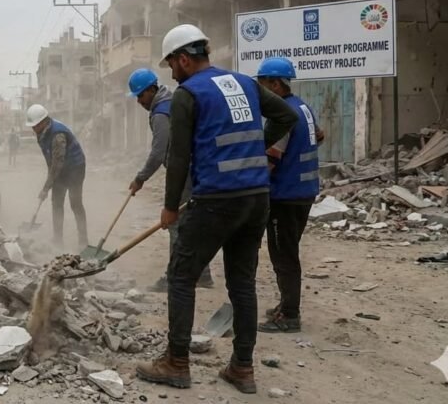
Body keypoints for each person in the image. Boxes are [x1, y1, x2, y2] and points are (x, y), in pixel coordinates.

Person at [136, 25, 298, 395]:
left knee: (181, 276)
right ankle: (242, 368)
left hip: (215, 200)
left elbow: (178, 157)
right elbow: (286, 117)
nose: (171, 74)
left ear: (183, 59)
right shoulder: (244, 82)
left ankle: (176, 362)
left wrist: (170, 207)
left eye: (171, 65)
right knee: (242, 282)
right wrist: (255, 149)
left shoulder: (188, 93)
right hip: (256, 196)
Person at [126, 68, 214, 291]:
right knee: (193, 223)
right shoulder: (172, 101)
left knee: (176, 224)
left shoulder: (161, 113)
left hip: (186, 173)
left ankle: (175, 276)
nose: (139, 101)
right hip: (198, 169)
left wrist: (140, 178)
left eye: (140, 95)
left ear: (151, 90)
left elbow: (159, 152)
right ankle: (203, 275)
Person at [254, 57, 323, 334]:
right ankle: (285, 304)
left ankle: (290, 315)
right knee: (288, 251)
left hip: (285, 195)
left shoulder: (280, 115)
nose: (260, 92)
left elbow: (271, 160)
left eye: (262, 85)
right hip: (304, 192)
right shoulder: (303, 107)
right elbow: (320, 136)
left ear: (274, 84)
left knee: (284, 255)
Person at [27, 104, 88, 247]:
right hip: (60, 169)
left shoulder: (57, 135)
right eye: (32, 126)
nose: (33, 128)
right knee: (57, 203)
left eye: (35, 125)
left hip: (75, 167)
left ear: (43, 122)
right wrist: (49, 183)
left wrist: (45, 188)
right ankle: (58, 240)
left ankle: (83, 240)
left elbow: (57, 163)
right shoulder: (41, 134)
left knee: (75, 203)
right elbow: (51, 162)